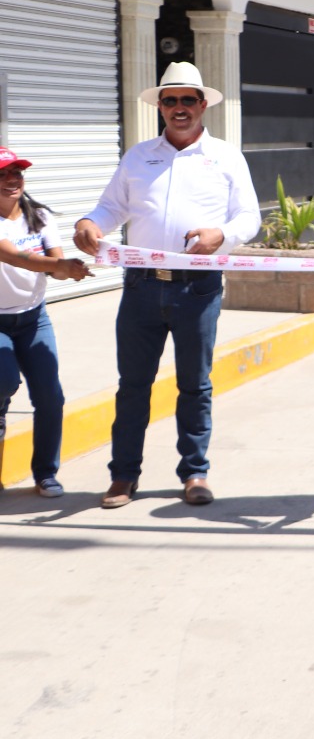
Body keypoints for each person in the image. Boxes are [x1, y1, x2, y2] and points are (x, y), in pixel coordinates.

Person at [75, 62, 261, 509]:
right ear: (160, 106)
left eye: (188, 100)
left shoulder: (226, 156)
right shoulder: (139, 155)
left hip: (197, 288)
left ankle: (194, 472)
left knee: (195, 385)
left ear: (203, 106)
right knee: (133, 385)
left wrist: (223, 236)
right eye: (170, 100)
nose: (179, 108)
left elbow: (248, 218)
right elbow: (110, 208)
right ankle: (123, 476)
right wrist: (88, 224)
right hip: (140, 287)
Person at [0, 149, 91, 497]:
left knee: (51, 397)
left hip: (34, 318)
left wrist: (72, 267)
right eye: (3, 174)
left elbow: (55, 263)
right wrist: (59, 267)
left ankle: (46, 474)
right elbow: (14, 256)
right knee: (4, 383)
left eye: (17, 173)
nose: (12, 180)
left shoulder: (38, 216)